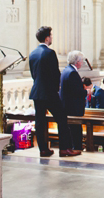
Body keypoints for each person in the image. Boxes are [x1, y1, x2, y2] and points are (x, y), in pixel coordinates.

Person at [28, 26, 80, 158]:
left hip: (37, 92)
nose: (51, 38)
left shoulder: (32, 53)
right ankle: (65, 149)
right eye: (51, 36)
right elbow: (55, 74)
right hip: (49, 92)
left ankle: (43, 149)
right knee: (62, 119)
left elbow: (33, 74)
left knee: (40, 121)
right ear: (47, 38)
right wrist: (56, 89)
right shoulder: (50, 53)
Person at [60, 51, 88, 151]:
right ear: (77, 61)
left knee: (72, 129)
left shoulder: (65, 70)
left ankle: (74, 147)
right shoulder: (72, 73)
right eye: (82, 60)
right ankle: (77, 148)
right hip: (73, 108)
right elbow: (76, 92)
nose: (83, 63)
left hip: (67, 106)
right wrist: (86, 92)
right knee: (75, 129)